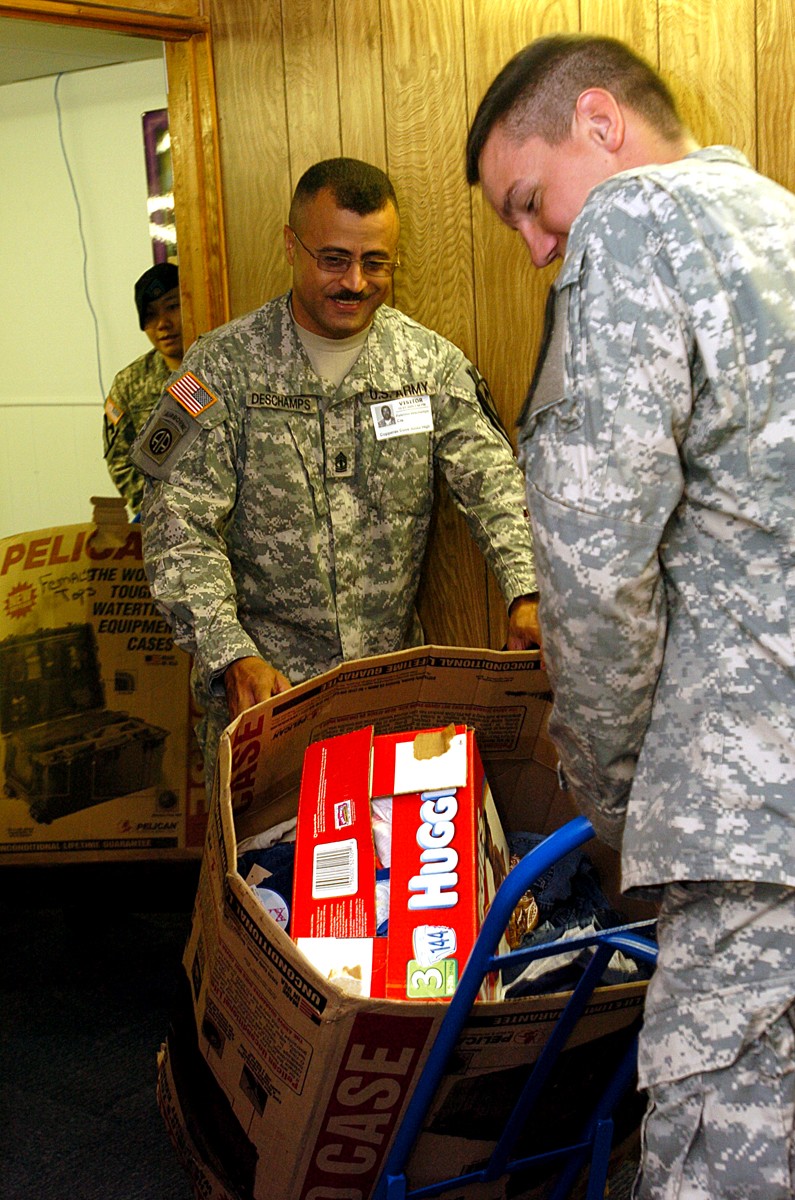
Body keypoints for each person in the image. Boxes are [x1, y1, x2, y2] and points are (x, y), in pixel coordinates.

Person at [466, 33, 795, 1200]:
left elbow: (595, 566)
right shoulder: (778, 224)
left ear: (599, 123)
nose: (537, 243)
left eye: (530, 201)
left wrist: (616, 801)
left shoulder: (638, 223)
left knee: (726, 1158)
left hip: (754, 827)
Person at [130, 158, 539, 794]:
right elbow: (176, 525)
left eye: (375, 262)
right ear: (291, 246)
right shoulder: (220, 369)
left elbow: (494, 484)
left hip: (394, 710)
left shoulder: (427, 365)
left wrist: (527, 589)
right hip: (267, 712)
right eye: (333, 259)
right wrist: (229, 652)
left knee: (398, 886)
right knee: (268, 891)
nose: (355, 282)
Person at [103, 262, 183, 517]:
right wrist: (157, 508)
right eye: (150, 315)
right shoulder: (129, 383)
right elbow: (120, 461)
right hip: (161, 521)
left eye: (172, 307)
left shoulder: (220, 369)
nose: (162, 324)